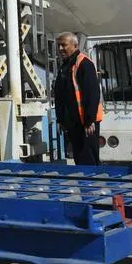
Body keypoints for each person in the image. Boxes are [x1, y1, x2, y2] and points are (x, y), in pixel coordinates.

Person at [53, 32, 103, 165]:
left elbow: (92, 94)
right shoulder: (66, 66)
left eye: (64, 45)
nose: (60, 49)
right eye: (59, 46)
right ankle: (84, 184)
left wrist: (89, 120)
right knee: (80, 160)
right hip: (73, 123)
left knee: (88, 160)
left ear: (75, 45)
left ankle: (92, 185)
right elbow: (61, 96)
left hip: (86, 123)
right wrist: (61, 119)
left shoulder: (84, 63)